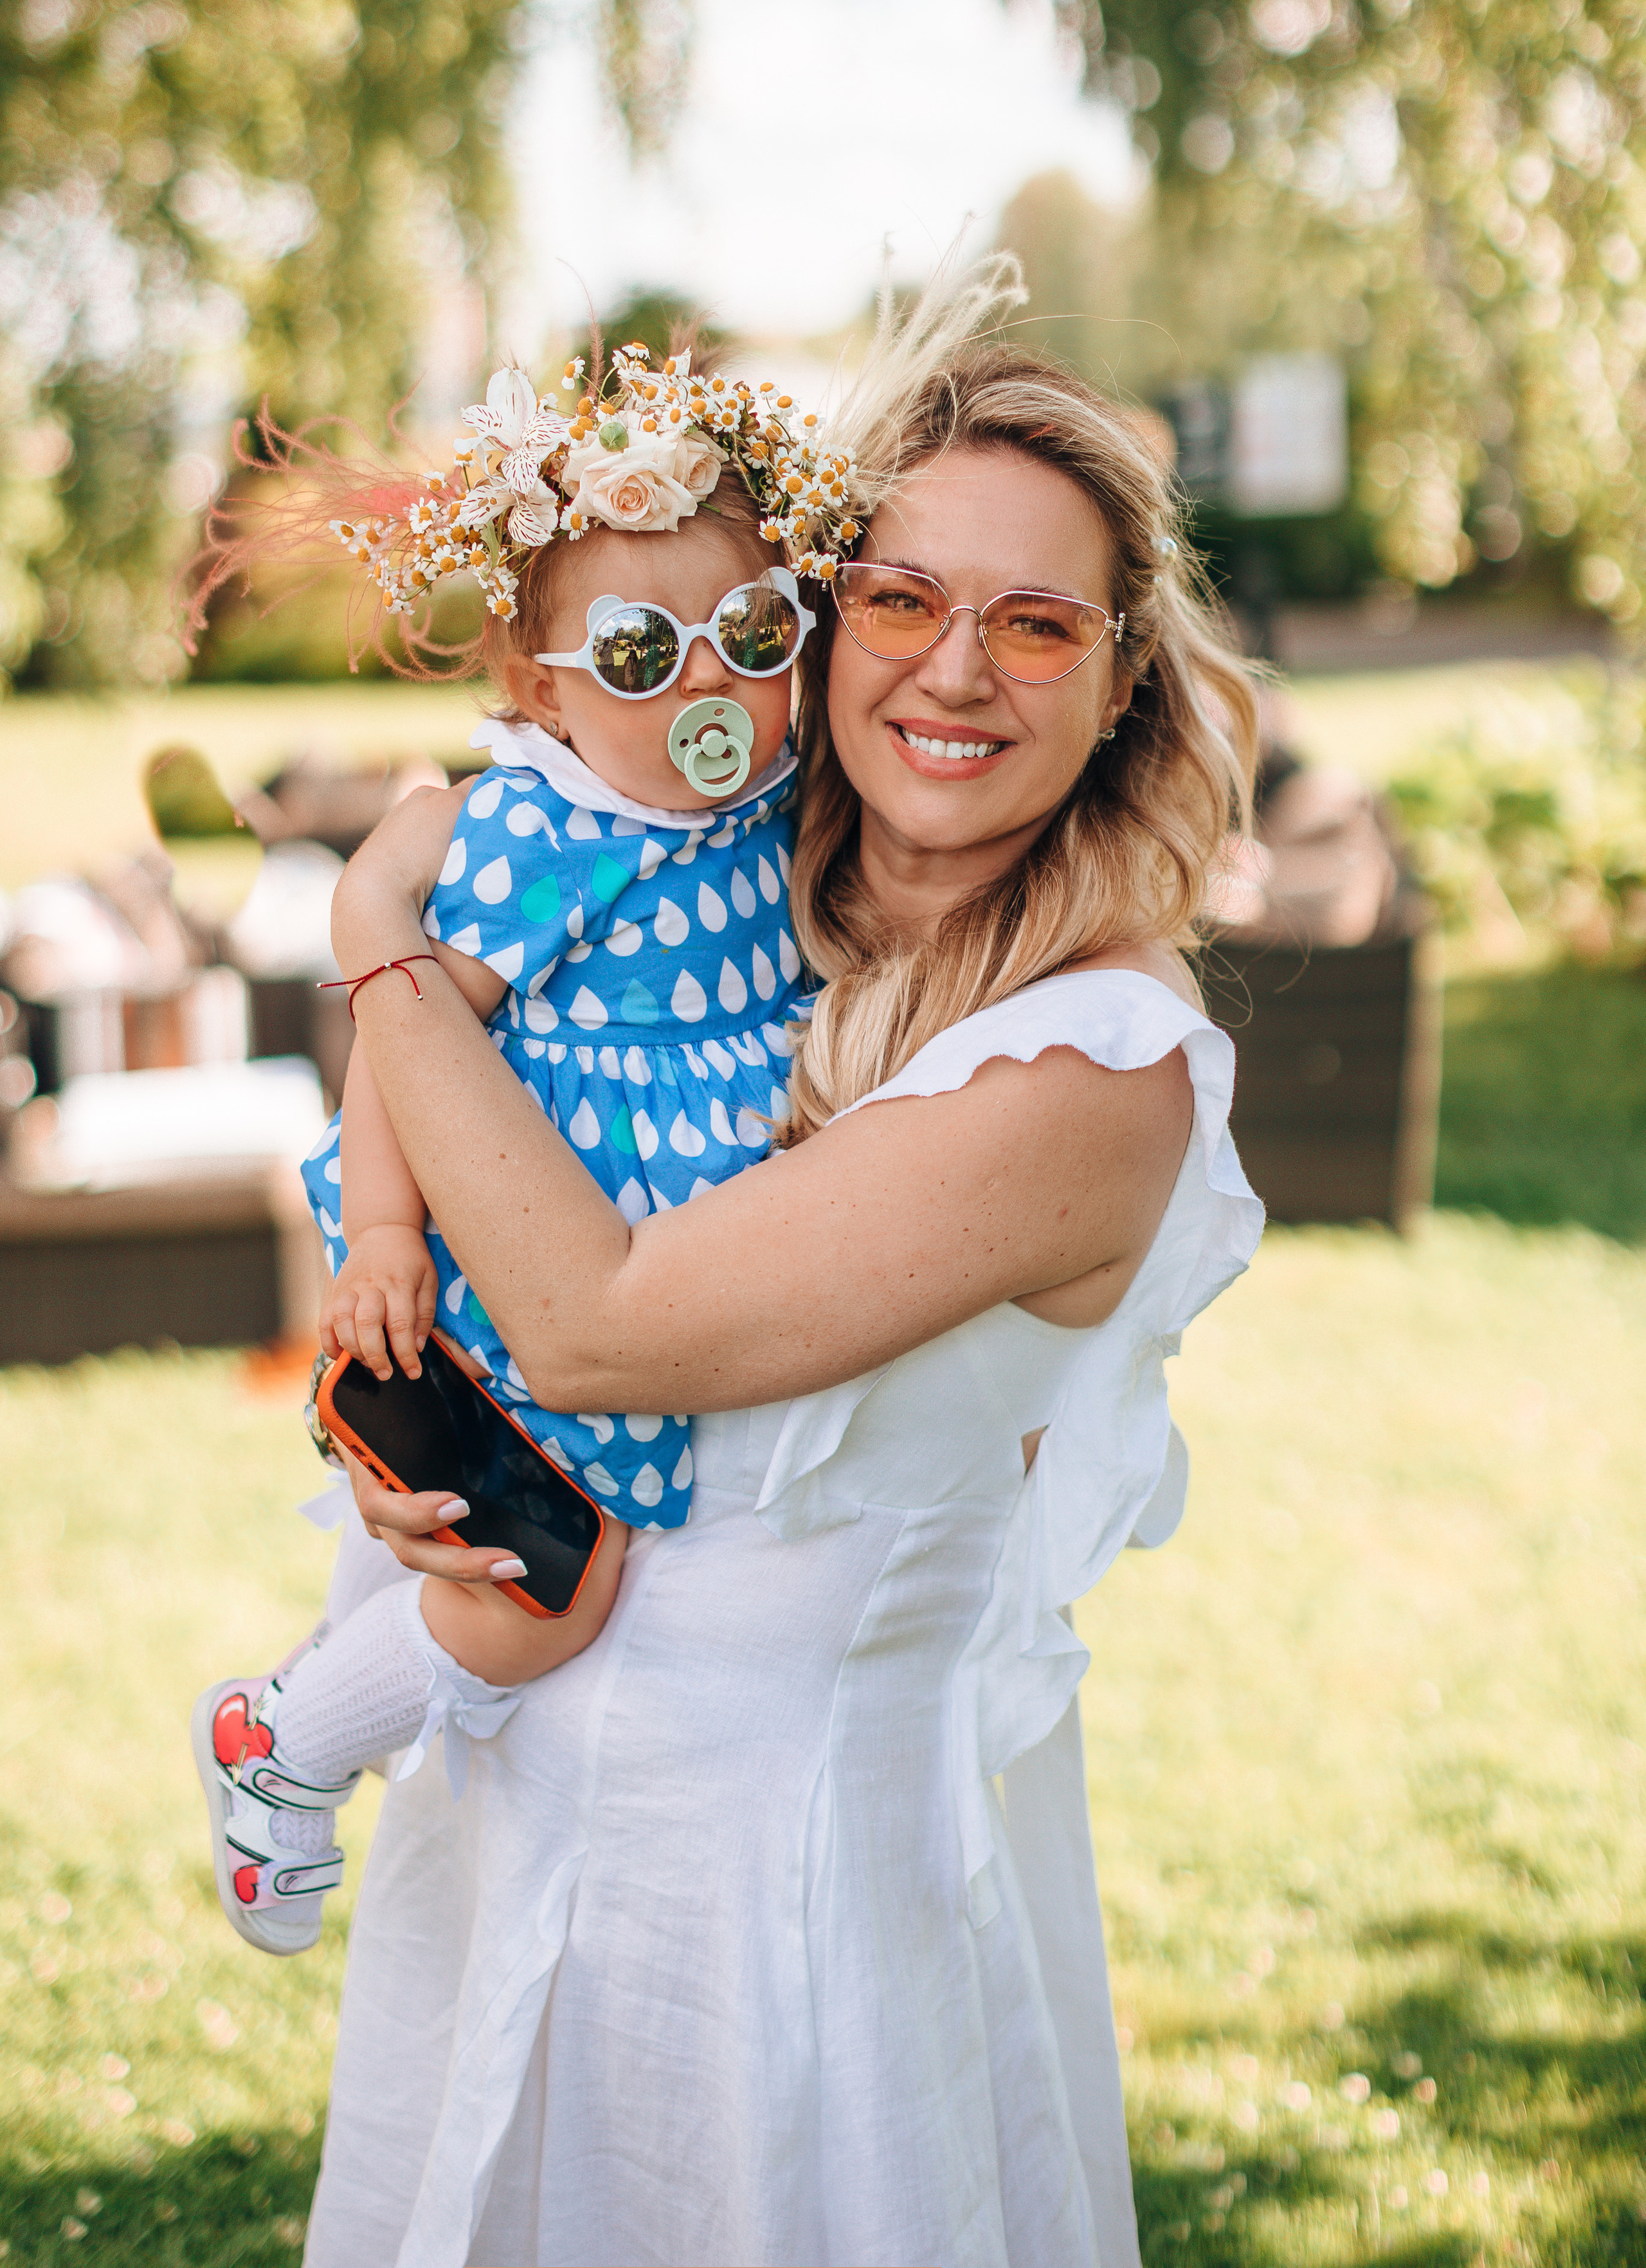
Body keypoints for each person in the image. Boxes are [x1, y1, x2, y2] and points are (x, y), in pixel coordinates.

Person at [305, 266, 1265, 2268]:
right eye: (901, 600)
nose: (956, 673)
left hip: (792, 1906)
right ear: (823, 641)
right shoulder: (741, 924)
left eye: (1038, 624)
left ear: (1122, 687)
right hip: (533, 1813)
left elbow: (600, 1321)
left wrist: (383, 933)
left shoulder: (1096, 1059)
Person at [190, 344, 856, 1956]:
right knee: (551, 1588)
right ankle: (283, 1741)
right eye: (636, 655)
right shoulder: (542, 832)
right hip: (541, 1254)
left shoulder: (778, 802)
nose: (706, 689)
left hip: (695, 1271)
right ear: (539, 688)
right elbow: (404, 1036)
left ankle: (302, 1719)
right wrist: (385, 1241)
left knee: (551, 1558)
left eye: (754, 636)